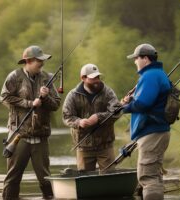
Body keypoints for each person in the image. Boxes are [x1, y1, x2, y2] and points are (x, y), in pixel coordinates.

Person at [0, 45, 61, 200]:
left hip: (40, 136)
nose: (42, 63)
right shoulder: (15, 76)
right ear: (28, 61)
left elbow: (55, 105)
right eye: (38, 60)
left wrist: (45, 97)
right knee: (13, 177)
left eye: (42, 60)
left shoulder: (47, 78)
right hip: (18, 136)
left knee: (45, 178)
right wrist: (29, 103)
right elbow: (4, 97)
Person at [121, 44, 171, 200]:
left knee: (148, 178)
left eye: (136, 58)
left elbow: (143, 104)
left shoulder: (150, 76)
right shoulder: (157, 74)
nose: (135, 61)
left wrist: (124, 108)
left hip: (152, 132)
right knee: (154, 176)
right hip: (156, 131)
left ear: (145, 58)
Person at [62, 63, 121, 171]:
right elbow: (67, 116)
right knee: (85, 179)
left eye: (98, 77)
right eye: (93, 78)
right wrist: (79, 122)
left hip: (105, 145)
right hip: (83, 147)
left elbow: (117, 112)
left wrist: (99, 117)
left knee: (110, 176)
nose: (97, 80)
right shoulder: (73, 95)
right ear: (83, 78)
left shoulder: (108, 92)